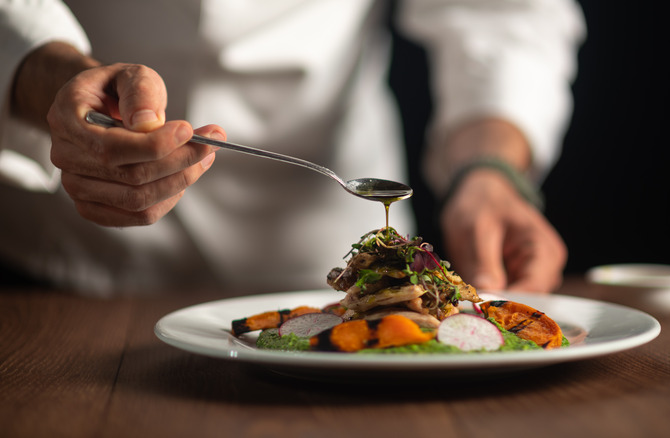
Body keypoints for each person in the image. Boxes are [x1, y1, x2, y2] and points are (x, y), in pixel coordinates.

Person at [0, 0, 585, 296]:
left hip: (318, 255)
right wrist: (46, 78)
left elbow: (501, 16)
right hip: (65, 263)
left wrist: (489, 170)